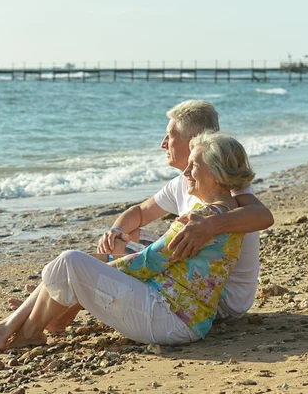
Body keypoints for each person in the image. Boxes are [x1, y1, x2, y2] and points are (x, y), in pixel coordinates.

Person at [0, 132, 256, 351]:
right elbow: (161, 261)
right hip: (179, 314)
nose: (187, 172)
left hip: (170, 319)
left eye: (194, 166)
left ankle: (22, 332)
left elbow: (146, 264)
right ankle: (11, 329)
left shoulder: (200, 221)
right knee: (71, 267)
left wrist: (101, 265)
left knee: (69, 263)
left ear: (216, 175)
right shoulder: (227, 212)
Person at [97, 100, 273, 322]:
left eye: (170, 136)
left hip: (222, 298)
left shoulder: (226, 183)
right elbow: (140, 212)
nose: (163, 144)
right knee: (125, 237)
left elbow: (264, 216)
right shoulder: (183, 182)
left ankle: (99, 291)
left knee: (108, 260)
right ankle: (101, 290)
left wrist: (210, 225)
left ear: (193, 141)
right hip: (198, 284)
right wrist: (115, 230)